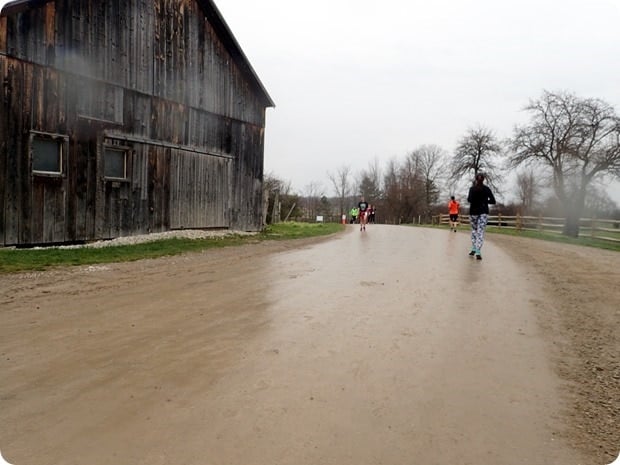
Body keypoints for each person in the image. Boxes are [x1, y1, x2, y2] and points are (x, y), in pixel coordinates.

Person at [467, 173, 496, 260]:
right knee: (480, 231)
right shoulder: (487, 189)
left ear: (476, 179)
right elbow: (493, 201)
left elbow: (469, 200)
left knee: (474, 230)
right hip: (483, 212)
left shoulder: (472, 189)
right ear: (483, 179)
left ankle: (473, 248)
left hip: (473, 212)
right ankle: (478, 250)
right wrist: (485, 201)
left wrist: (475, 201)